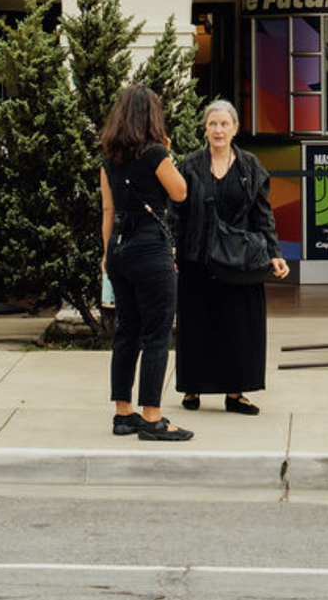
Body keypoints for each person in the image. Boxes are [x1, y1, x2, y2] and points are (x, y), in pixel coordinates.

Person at [175, 99, 289, 412]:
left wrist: (274, 253)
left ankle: (235, 392)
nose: (218, 130)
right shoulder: (190, 165)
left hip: (240, 259)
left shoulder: (251, 166)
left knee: (240, 325)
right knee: (196, 323)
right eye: (213, 124)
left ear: (235, 128)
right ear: (205, 128)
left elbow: (263, 213)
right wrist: (173, 248)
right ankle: (192, 388)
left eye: (224, 124)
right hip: (197, 257)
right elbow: (178, 213)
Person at [99, 82, 189, 441]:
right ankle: (153, 417)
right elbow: (180, 191)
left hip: (119, 248)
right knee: (156, 334)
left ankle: (123, 414)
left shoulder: (108, 157)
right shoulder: (155, 154)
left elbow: (108, 208)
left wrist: (106, 253)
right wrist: (169, 152)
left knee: (126, 332)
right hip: (150, 249)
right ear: (152, 116)